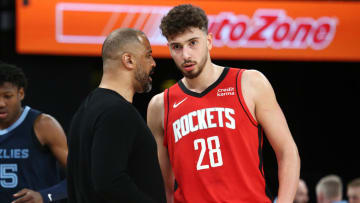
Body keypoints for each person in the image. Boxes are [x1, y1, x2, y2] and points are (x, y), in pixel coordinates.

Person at [147, 4, 300, 203]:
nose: (186, 55)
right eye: (177, 46)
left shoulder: (249, 82)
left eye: (193, 43)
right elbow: (165, 186)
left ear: (209, 41)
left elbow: (287, 151)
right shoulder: (160, 106)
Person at [66, 28, 166, 203]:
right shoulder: (117, 112)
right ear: (128, 60)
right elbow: (109, 182)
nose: (153, 63)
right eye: (148, 55)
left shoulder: (85, 110)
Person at [0, 63, 68, 203]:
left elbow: (82, 176)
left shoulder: (43, 124)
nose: (1, 103)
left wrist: (45, 196)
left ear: (21, 93)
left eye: (7, 96)